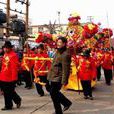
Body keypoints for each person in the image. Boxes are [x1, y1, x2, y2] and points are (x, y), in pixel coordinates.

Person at [47, 37, 72, 114]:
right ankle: (66, 103)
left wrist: (64, 81)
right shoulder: (58, 51)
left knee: (54, 94)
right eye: (57, 42)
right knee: (53, 93)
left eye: (60, 42)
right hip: (52, 75)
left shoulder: (65, 54)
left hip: (58, 77)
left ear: (64, 44)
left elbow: (66, 69)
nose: (58, 44)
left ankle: (59, 111)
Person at [0, 41, 22, 110]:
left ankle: (9, 105)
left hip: (10, 77)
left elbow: (14, 68)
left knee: (9, 91)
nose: (5, 49)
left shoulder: (13, 55)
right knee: (7, 91)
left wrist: (14, 78)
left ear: (10, 48)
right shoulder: (5, 54)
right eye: (4, 48)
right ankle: (17, 100)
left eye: (7, 48)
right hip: (3, 76)